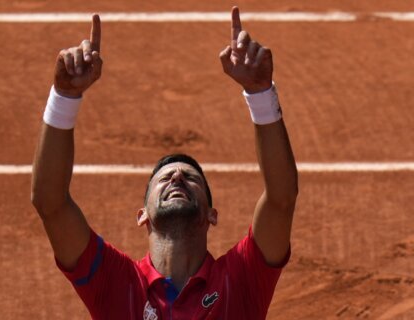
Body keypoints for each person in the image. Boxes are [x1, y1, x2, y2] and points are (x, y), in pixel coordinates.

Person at [32, 6, 298, 320]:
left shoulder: (241, 278)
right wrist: (63, 96)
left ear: (212, 215)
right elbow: (50, 202)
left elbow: (281, 199)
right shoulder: (116, 281)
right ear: (142, 215)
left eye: (190, 177)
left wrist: (260, 93)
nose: (176, 178)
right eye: (165, 177)